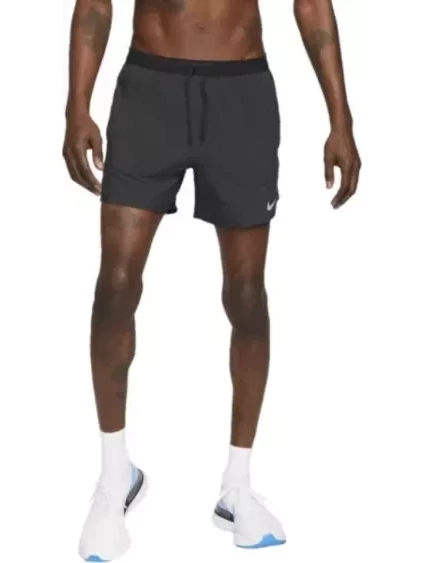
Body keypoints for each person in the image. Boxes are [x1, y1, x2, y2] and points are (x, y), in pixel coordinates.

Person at [63, 0, 361, 560]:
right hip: (149, 90)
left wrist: (340, 118)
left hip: (241, 96)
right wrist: (77, 105)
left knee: (246, 296)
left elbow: (312, 4)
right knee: (116, 286)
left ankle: (238, 485)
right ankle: (113, 475)